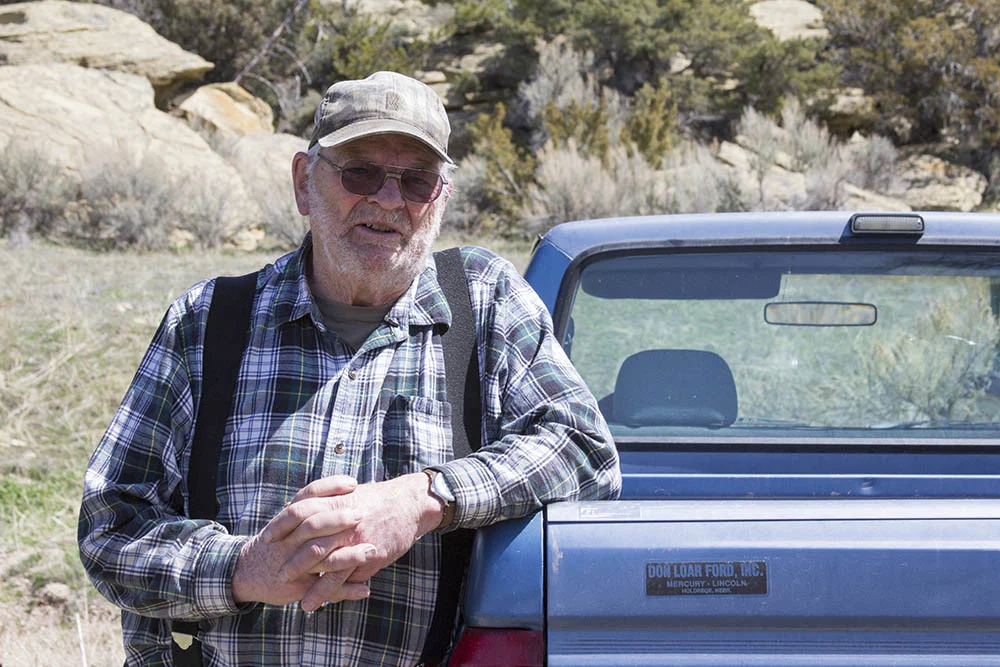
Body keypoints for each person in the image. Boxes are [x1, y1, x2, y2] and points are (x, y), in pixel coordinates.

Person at [78, 70, 621, 666]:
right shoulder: (209, 322)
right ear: (304, 185)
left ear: (439, 199)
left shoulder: (484, 303)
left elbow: (582, 447)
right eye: (360, 171)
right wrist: (241, 569)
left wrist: (425, 498)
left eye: (416, 180)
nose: (388, 200)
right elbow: (111, 530)